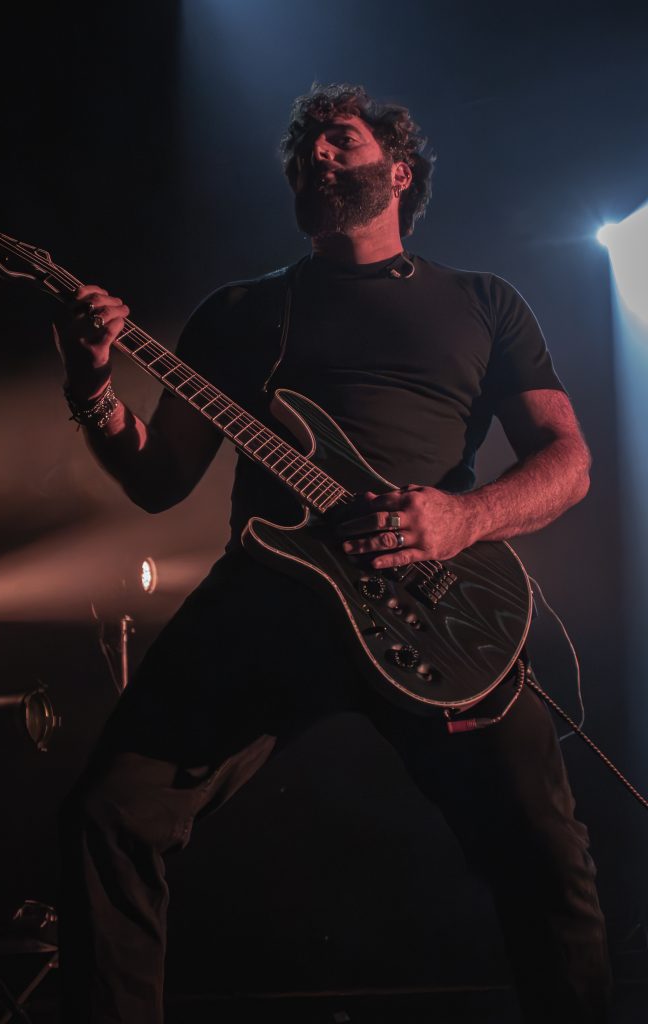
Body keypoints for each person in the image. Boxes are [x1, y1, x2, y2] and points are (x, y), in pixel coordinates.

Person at [55, 84, 611, 1023]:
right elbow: (158, 479)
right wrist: (91, 387)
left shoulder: (482, 303)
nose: (314, 153)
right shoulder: (240, 312)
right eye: (303, 147)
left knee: (548, 858)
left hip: (433, 600)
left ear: (400, 171)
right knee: (108, 815)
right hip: (270, 599)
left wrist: (462, 519)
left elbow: (569, 463)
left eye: (338, 138)